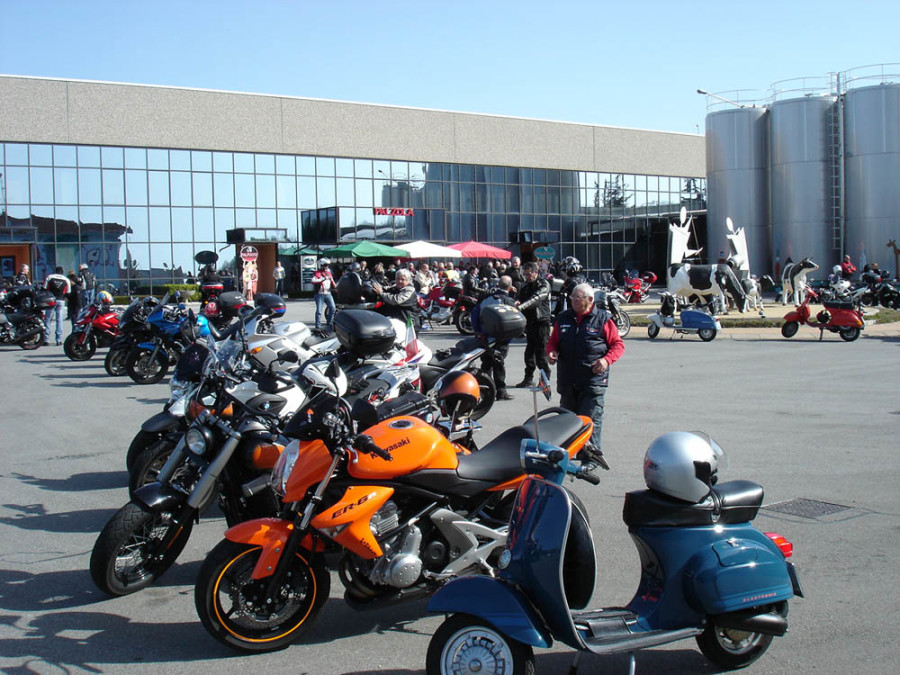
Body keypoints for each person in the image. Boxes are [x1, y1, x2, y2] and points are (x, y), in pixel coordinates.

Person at [546, 282, 625, 449]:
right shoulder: (563, 318)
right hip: (568, 380)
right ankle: (566, 456)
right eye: (572, 297)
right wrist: (551, 352)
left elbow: (618, 345)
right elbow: (552, 342)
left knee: (589, 421)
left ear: (589, 299)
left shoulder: (603, 318)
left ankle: (591, 458)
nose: (573, 300)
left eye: (577, 297)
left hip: (592, 380)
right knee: (567, 422)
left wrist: (606, 360)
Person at [472, 275, 516, 401]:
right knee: (498, 364)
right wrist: (508, 339)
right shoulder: (508, 301)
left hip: (485, 337)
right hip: (500, 338)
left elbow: (475, 314)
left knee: (486, 364)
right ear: (510, 287)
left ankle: (485, 390)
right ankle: (501, 391)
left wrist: (478, 332)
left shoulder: (485, 298)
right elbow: (514, 320)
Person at [514, 262, 552, 387]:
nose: (526, 276)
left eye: (528, 274)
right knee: (529, 354)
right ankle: (528, 378)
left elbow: (537, 298)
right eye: (524, 274)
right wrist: (517, 302)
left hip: (541, 322)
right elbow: (520, 298)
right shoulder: (525, 286)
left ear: (535, 272)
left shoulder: (543, 284)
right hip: (530, 323)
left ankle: (544, 380)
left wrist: (522, 306)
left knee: (541, 353)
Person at [43, 266, 71, 345]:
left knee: (48, 319)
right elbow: (68, 292)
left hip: (51, 300)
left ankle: (46, 339)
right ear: (62, 272)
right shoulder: (66, 279)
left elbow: (44, 288)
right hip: (61, 300)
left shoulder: (50, 277)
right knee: (59, 320)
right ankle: (59, 339)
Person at [311, 259, 336, 329]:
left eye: (327, 265)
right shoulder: (317, 273)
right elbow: (313, 280)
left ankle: (329, 323)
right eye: (325, 265)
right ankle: (318, 326)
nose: (326, 267)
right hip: (320, 294)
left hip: (328, 293)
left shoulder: (329, 273)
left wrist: (336, 287)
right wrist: (322, 279)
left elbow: (333, 282)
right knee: (319, 311)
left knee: (333, 308)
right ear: (321, 265)